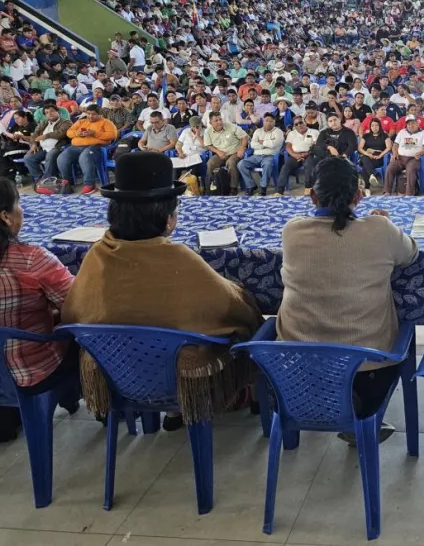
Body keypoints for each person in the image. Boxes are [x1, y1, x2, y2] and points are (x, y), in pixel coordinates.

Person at [61, 152, 262, 430]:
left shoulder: (97, 254)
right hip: (174, 377)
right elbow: (231, 308)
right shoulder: (177, 257)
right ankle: (199, 403)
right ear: (168, 219)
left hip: (116, 374)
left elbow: (71, 312)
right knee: (245, 324)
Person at [277, 156, 419, 441]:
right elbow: (411, 254)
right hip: (367, 373)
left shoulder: (291, 231)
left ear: (313, 196)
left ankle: (327, 406)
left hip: (297, 373)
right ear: (359, 195)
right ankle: (357, 412)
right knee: (406, 331)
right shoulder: (378, 230)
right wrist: (384, 224)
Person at [0, 178, 78, 441]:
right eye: (18, 204)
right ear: (6, 216)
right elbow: (80, 306)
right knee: (88, 338)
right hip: (26, 373)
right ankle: (110, 409)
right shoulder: (31, 259)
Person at [56, 104, 118, 195]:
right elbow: (69, 132)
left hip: (96, 146)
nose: (90, 116)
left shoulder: (106, 122)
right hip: (77, 146)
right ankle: (68, 182)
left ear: (100, 114)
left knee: (84, 157)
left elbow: (113, 135)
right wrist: (78, 133)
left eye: (93, 114)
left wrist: (95, 134)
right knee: (62, 157)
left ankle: (90, 184)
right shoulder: (81, 121)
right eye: (88, 114)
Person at [308, 113, 359, 192]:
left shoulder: (348, 132)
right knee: (311, 162)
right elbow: (319, 143)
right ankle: (313, 187)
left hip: (341, 156)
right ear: (328, 123)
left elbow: (353, 146)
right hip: (325, 156)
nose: (333, 122)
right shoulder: (324, 132)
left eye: (335, 120)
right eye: (330, 121)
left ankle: (333, 189)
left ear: (339, 120)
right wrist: (330, 147)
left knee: (333, 166)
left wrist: (344, 155)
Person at [238, 113, 284, 195]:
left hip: (270, 156)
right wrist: (266, 145)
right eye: (266, 121)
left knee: (267, 164)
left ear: (274, 122)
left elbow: (274, 144)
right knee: (241, 164)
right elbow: (253, 145)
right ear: (263, 122)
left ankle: (263, 187)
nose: (268, 123)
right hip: (256, 156)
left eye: (271, 121)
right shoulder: (258, 131)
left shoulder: (278, 132)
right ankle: (251, 185)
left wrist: (261, 142)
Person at [384, 115, 424, 196]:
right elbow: (395, 145)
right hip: (400, 158)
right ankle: (387, 192)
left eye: (413, 123)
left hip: (414, 159)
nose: (410, 126)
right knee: (390, 168)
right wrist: (394, 153)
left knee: (410, 170)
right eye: (408, 124)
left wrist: (420, 153)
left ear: (417, 123)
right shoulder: (402, 132)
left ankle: (409, 194)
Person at [24, 104, 70, 186]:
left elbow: (61, 133)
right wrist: (34, 144)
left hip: (58, 147)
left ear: (57, 112)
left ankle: (47, 179)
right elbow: (34, 135)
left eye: (52, 111)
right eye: (47, 112)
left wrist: (46, 136)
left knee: (50, 155)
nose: (50, 113)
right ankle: (40, 178)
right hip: (44, 148)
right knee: (28, 158)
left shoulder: (66, 122)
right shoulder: (43, 123)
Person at [203, 110, 248, 194]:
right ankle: (211, 185)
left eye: (220, 119)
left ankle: (233, 187)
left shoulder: (232, 126)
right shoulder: (207, 131)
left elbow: (244, 137)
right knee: (210, 163)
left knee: (231, 163)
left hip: (234, 152)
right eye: (216, 120)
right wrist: (218, 152)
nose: (219, 122)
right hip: (220, 153)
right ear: (210, 122)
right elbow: (208, 145)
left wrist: (242, 148)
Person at [277, 116, 319, 195]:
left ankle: (308, 188)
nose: (299, 125)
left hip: (310, 154)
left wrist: (306, 154)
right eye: (296, 124)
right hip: (295, 155)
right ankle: (279, 190)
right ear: (294, 126)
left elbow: (316, 146)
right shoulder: (292, 134)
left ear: (305, 122)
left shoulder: (314, 132)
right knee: (285, 167)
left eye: (300, 122)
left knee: (309, 165)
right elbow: (288, 146)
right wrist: (295, 155)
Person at [357, 117, 389, 192]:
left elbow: (388, 147)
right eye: (372, 126)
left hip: (378, 158)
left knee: (365, 166)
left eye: (376, 125)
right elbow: (360, 148)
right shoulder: (366, 136)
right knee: (365, 158)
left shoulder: (384, 136)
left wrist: (381, 155)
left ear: (379, 126)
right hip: (367, 156)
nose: (374, 127)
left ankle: (366, 189)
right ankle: (371, 175)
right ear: (370, 127)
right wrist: (367, 154)